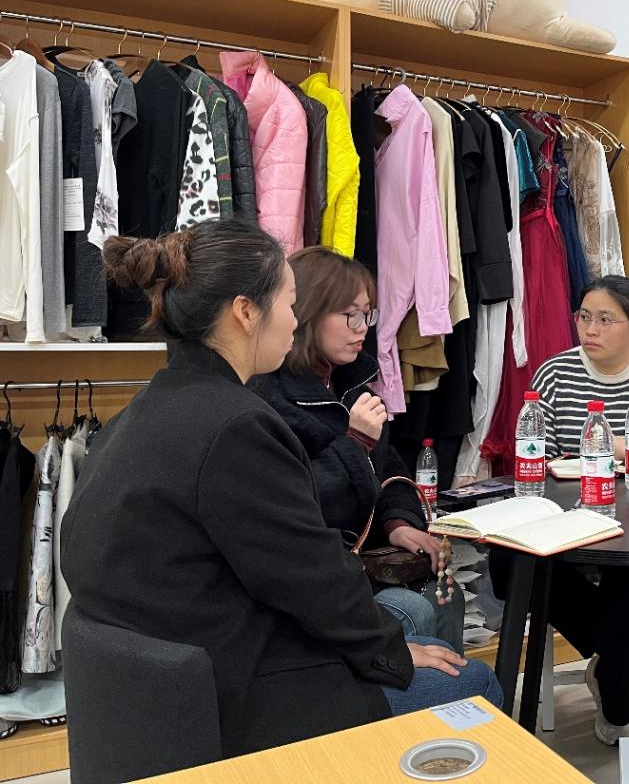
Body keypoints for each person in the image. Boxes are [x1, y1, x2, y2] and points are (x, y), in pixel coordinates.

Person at [61, 220, 501, 762]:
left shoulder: (142, 411)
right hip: (225, 694)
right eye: (290, 304)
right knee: (470, 681)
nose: (295, 320)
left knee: (419, 637)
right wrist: (391, 652)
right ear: (246, 312)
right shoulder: (236, 426)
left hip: (152, 687)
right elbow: (312, 576)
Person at [489, 275, 629, 746]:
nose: (590, 329)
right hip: (568, 520)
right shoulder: (555, 373)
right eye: (584, 317)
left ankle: (618, 678)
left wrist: (622, 447)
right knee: (507, 562)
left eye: (605, 319)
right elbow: (540, 457)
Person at [250, 246, 462, 650]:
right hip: (307, 581)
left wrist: (398, 522)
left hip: (358, 561)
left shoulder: (350, 382)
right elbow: (295, 503)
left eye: (368, 315)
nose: (362, 327)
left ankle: (448, 689)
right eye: (350, 314)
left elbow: (389, 468)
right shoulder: (269, 394)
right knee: (412, 609)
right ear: (307, 313)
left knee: (445, 589)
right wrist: (355, 441)